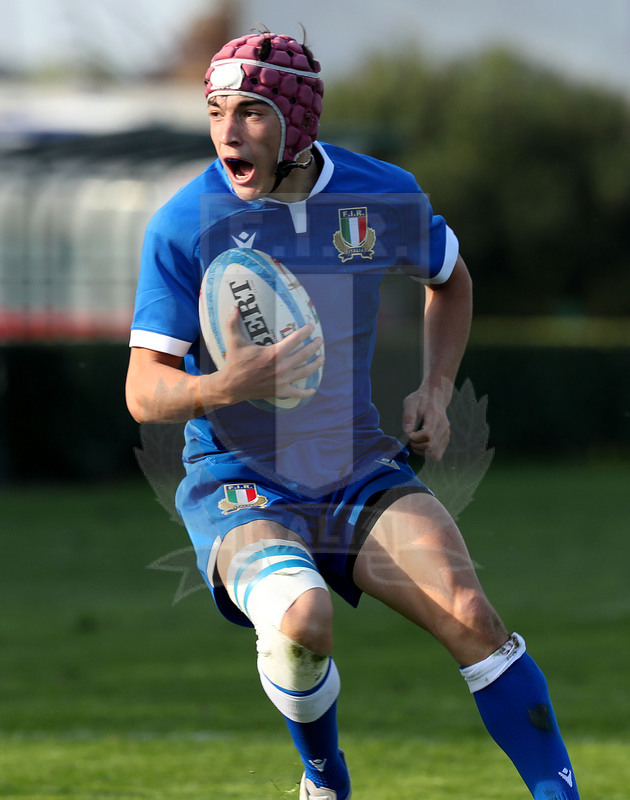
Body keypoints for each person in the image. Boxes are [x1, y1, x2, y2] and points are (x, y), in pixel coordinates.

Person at [126, 30, 581, 800]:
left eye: (252, 112)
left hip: (357, 468)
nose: (229, 132)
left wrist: (436, 389)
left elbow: (451, 279)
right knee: (301, 622)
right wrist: (228, 383)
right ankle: (324, 781)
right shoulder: (184, 222)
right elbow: (145, 390)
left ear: (298, 121)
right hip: (238, 483)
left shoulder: (384, 194)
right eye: (215, 111)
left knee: (471, 614)